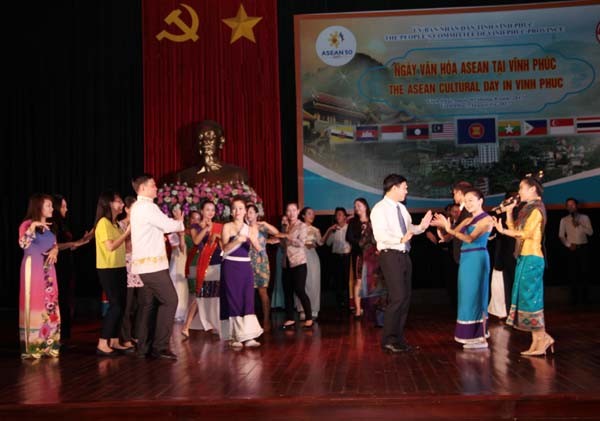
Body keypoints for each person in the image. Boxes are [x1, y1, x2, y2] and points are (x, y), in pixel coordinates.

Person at [493, 175, 554, 356]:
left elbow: (525, 234)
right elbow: (517, 230)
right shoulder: (527, 209)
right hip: (524, 257)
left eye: (521, 188)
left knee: (532, 298)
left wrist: (503, 230)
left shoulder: (536, 209)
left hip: (533, 257)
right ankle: (539, 341)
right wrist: (509, 212)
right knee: (527, 299)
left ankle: (542, 340)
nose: (519, 192)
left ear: (532, 189)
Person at [370, 174, 432, 353]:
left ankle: (398, 339)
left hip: (404, 255)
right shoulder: (379, 209)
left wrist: (422, 226)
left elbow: (409, 229)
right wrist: (400, 238)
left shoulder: (401, 209)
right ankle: (388, 340)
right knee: (397, 297)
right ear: (394, 187)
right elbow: (380, 235)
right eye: (404, 187)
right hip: (390, 255)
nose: (407, 191)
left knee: (405, 299)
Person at [130, 174, 184, 360]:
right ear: (143, 188)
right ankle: (160, 346)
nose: (156, 188)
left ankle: (144, 346)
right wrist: (180, 221)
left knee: (148, 305)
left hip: (145, 265)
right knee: (170, 300)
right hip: (152, 266)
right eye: (153, 185)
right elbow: (167, 225)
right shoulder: (147, 207)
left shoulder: (138, 207)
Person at [434, 189, 493, 349]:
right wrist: (441, 228)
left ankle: (480, 336)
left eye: (471, 200)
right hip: (466, 260)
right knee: (466, 296)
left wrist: (449, 228)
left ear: (481, 201)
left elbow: (470, 238)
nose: (468, 204)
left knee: (477, 295)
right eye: (466, 201)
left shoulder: (487, 219)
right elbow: (447, 238)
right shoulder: (467, 220)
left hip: (477, 258)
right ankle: (470, 335)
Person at [18, 194, 60, 359]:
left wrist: (56, 249)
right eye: (48, 205)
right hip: (33, 269)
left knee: (50, 303)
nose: (51, 208)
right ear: (38, 207)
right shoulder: (27, 224)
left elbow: (53, 244)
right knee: (34, 302)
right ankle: (32, 347)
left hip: (49, 271)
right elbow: (23, 244)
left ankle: (49, 344)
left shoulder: (50, 226)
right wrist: (33, 226)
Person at [220, 198, 264, 348]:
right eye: (234, 209)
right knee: (233, 299)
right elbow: (224, 249)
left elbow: (258, 249)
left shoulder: (250, 228)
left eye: (240, 208)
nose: (237, 211)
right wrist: (238, 239)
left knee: (247, 299)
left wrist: (253, 237)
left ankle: (249, 336)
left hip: (245, 266)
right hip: (230, 265)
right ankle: (235, 337)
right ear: (231, 212)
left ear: (245, 211)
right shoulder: (227, 226)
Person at [94, 191, 132, 356]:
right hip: (107, 268)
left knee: (122, 305)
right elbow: (110, 246)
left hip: (119, 267)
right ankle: (102, 343)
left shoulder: (115, 223)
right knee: (115, 305)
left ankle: (115, 340)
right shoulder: (103, 223)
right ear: (109, 204)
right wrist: (126, 234)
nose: (122, 205)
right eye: (118, 202)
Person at [51, 194, 93, 342]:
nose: (66, 209)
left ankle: (65, 335)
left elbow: (70, 246)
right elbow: (55, 247)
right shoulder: (51, 224)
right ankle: (59, 335)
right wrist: (73, 244)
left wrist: (83, 241)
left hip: (67, 265)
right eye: (63, 206)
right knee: (61, 300)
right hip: (58, 266)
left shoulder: (62, 223)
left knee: (67, 300)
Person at [182, 202, 223, 337]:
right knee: (200, 296)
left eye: (212, 210)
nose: (210, 212)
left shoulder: (218, 226)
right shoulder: (195, 227)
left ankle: (214, 325)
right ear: (202, 211)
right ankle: (186, 326)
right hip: (205, 264)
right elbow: (195, 241)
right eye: (207, 210)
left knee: (215, 295)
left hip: (217, 262)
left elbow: (223, 244)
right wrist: (206, 229)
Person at [175, 120, 249, 184]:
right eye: (201, 138)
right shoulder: (184, 176)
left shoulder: (238, 175)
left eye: (211, 137)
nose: (206, 141)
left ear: (221, 141)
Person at [279, 203, 314, 330]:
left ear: (298, 211)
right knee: (287, 291)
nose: (291, 213)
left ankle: (309, 317)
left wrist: (288, 237)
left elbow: (301, 243)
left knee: (299, 290)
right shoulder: (285, 226)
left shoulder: (302, 226)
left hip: (299, 262)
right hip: (286, 262)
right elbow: (283, 246)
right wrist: (280, 239)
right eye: (288, 211)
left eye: (294, 210)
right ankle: (290, 318)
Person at [247, 203, 279, 331]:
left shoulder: (262, 227)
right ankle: (251, 321)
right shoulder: (243, 228)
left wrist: (265, 224)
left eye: (251, 212)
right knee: (248, 292)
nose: (248, 214)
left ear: (256, 214)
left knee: (262, 291)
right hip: (247, 261)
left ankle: (266, 319)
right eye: (247, 212)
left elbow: (276, 233)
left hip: (261, 261)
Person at [118, 196, 143, 348]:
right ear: (127, 209)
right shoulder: (120, 225)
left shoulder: (142, 224)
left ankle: (138, 334)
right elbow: (123, 246)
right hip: (126, 264)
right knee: (126, 304)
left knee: (142, 302)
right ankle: (125, 337)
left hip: (140, 264)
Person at [558, 197, 593, 305]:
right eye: (568, 205)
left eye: (572, 205)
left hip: (583, 248)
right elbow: (561, 235)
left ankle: (585, 299)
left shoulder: (584, 218)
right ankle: (574, 299)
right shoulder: (564, 220)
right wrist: (569, 245)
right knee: (572, 273)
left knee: (584, 272)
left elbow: (590, 233)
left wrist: (580, 224)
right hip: (571, 249)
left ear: (576, 206)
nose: (570, 207)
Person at [322, 207, 352, 311]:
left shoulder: (349, 228)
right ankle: (340, 304)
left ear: (345, 217)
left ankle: (350, 303)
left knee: (348, 281)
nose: (338, 216)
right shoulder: (333, 229)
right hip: (336, 257)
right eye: (337, 215)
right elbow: (328, 243)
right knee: (338, 282)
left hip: (347, 257)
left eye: (340, 214)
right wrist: (331, 232)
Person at [345, 199, 371, 318]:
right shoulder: (353, 222)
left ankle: (373, 309)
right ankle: (358, 310)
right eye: (355, 206)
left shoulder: (373, 220)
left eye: (359, 205)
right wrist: (360, 243)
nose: (357, 208)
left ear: (365, 206)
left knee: (374, 282)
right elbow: (349, 237)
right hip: (359, 255)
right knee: (358, 281)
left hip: (372, 255)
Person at [297, 207, 322, 320]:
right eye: (309, 213)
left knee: (314, 282)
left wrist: (328, 231)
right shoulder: (297, 228)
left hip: (312, 256)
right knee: (302, 283)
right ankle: (303, 309)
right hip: (300, 255)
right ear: (303, 215)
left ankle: (314, 309)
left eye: (313, 214)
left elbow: (320, 243)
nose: (312, 216)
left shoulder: (315, 229)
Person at [168, 228, 188, 322]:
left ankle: (181, 312)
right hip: (176, 261)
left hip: (184, 261)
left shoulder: (187, 232)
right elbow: (179, 247)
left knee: (182, 286)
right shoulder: (171, 233)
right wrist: (181, 236)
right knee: (176, 286)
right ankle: (175, 312)